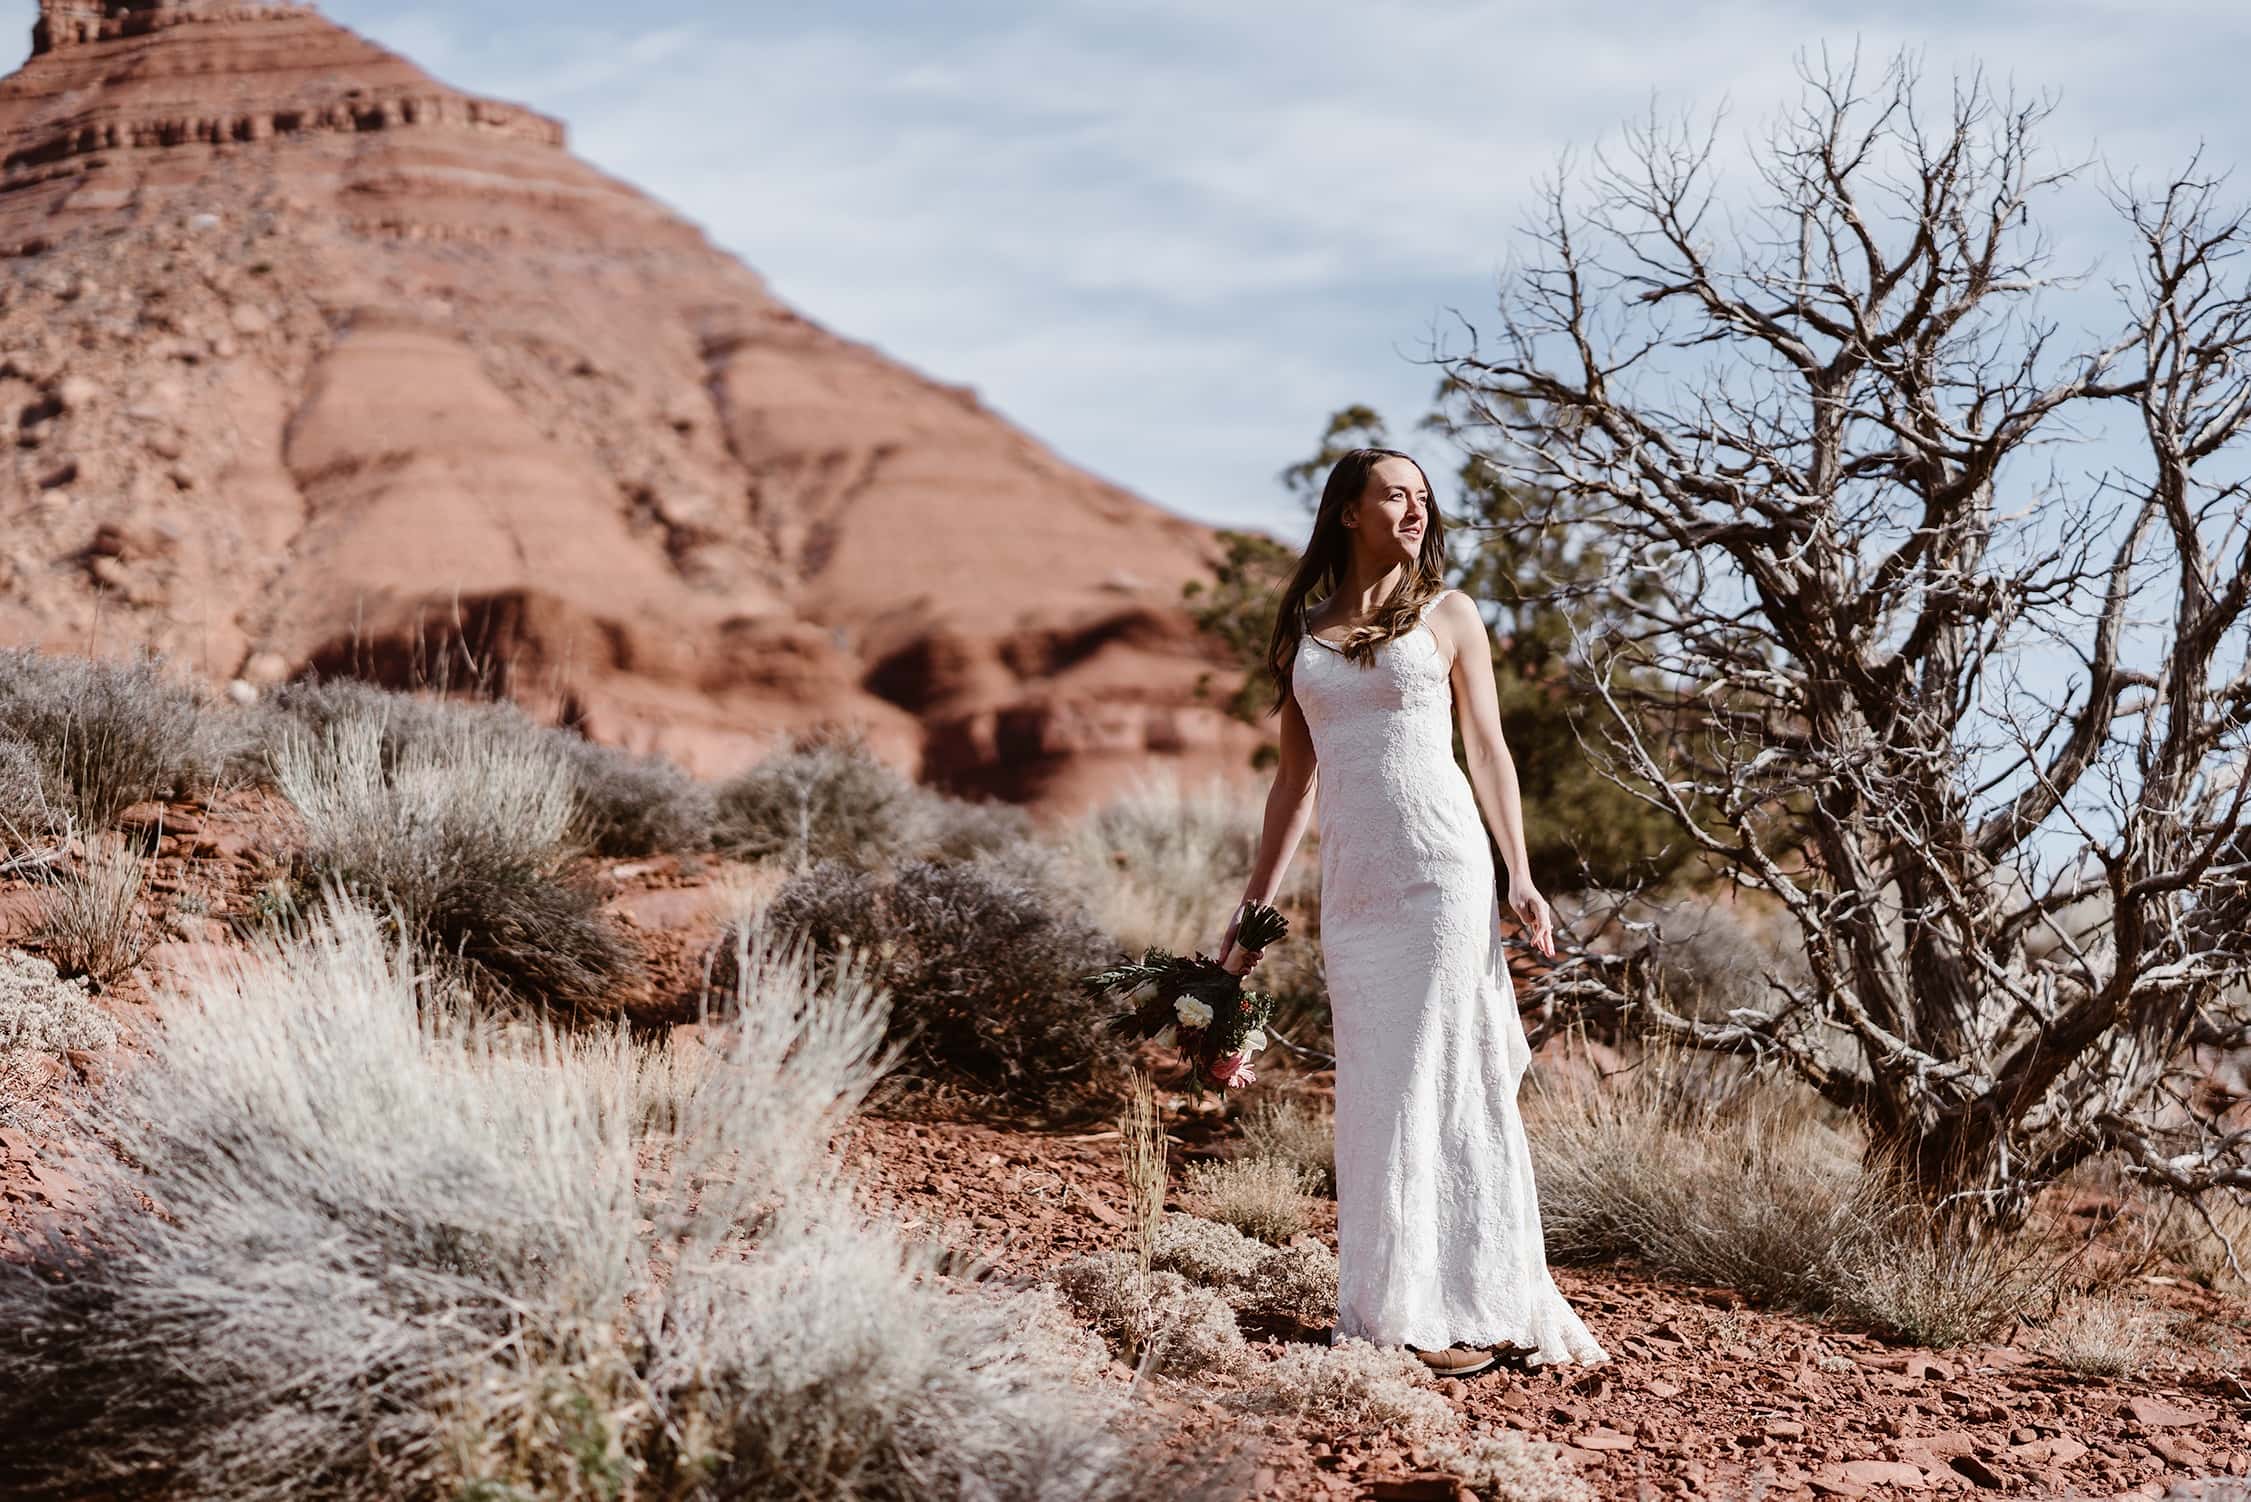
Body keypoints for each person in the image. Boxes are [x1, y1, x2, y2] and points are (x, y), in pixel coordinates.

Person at [1215, 446, 1609, 1378]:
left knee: (1440, 1071)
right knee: (1377, 1086)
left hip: (1442, 870)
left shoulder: (1448, 615)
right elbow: (1291, 786)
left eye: (1424, 498)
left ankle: (1473, 1305)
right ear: (1348, 511)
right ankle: (1394, 1305)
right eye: (1395, 494)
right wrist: (1251, 915)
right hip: (1355, 891)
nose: (1416, 510)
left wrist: (1519, 871)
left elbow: (1488, 748)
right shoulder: (1302, 632)